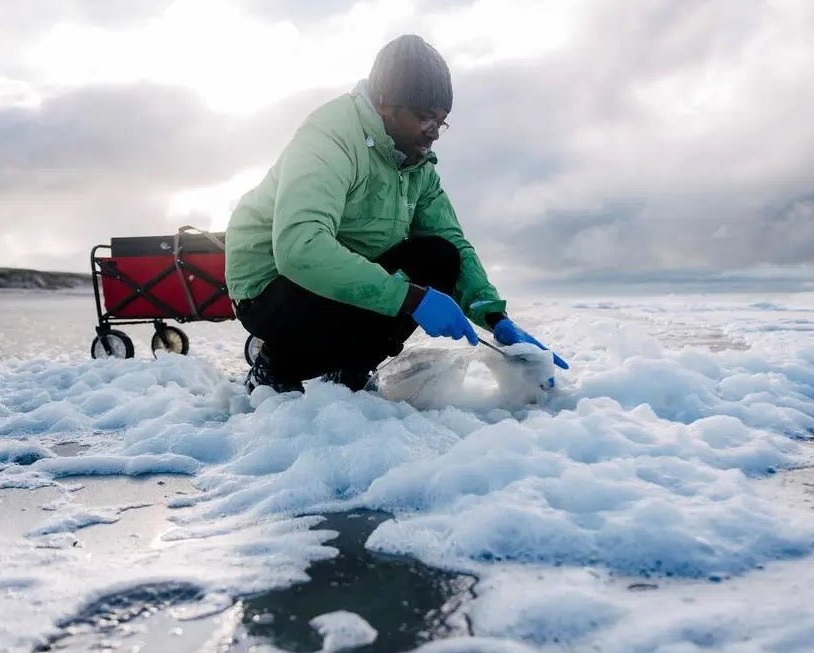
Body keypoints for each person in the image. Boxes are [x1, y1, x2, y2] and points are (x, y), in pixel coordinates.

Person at [224, 34, 568, 394]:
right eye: (424, 117)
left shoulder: (416, 165)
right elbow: (300, 247)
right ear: (386, 102)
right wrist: (413, 299)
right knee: (391, 297)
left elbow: (451, 240)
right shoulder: (329, 139)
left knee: (439, 257)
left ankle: (349, 371)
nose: (434, 132)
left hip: (340, 277)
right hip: (270, 286)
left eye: (441, 120)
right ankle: (276, 366)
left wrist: (496, 319)